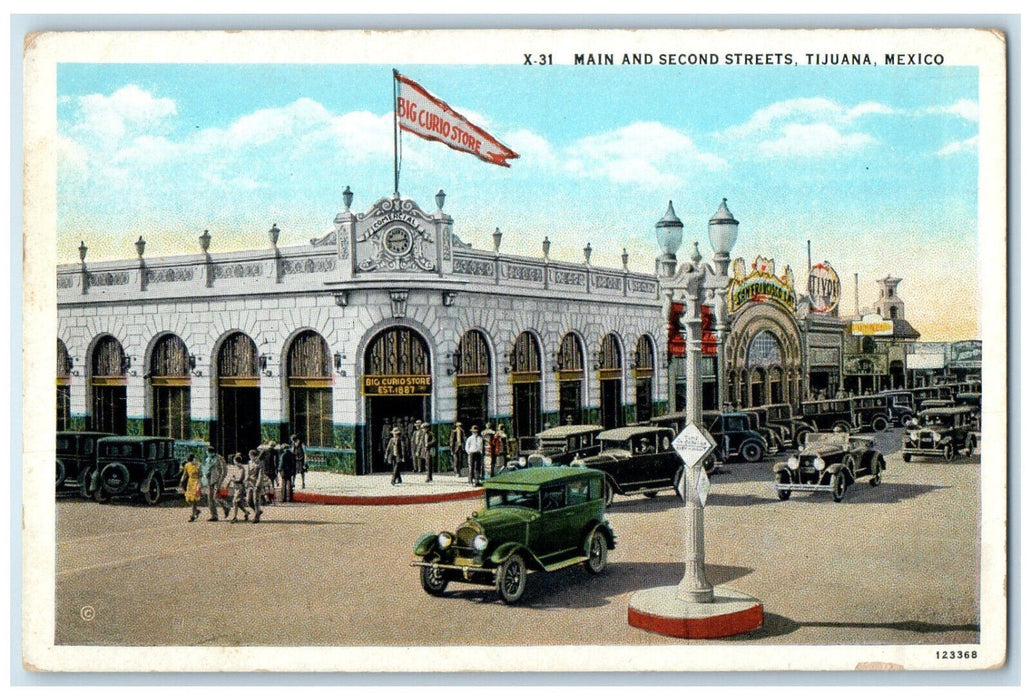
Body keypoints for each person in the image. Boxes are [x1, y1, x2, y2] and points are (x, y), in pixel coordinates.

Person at [200, 445, 229, 521]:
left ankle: (226, 507)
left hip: (217, 480)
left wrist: (221, 480)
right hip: (209, 480)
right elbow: (205, 468)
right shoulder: (208, 459)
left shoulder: (219, 459)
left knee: (216, 497)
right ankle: (214, 515)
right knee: (210, 498)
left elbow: (224, 470)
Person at [245, 449, 267, 523]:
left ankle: (256, 517)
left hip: (257, 484)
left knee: (256, 500)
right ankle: (258, 511)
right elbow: (248, 473)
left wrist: (258, 485)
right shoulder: (249, 463)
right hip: (250, 483)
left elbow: (260, 475)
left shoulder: (260, 464)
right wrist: (246, 481)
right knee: (248, 500)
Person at [227, 453, 250, 522]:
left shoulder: (242, 469)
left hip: (240, 487)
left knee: (234, 501)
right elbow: (233, 476)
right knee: (238, 503)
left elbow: (240, 479)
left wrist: (232, 480)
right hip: (236, 487)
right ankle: (246, 512)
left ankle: (235, 517)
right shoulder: (236, 468)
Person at [179, 453, 203, 522]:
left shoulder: (198, 465)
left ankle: (193, 515)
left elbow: (200, 475)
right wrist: (182, 481)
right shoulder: (187, 465)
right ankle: (196, 510)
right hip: (190, 483)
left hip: (196, 482)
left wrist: (199, 485)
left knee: (193, 499)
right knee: (188, 499)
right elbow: (185, 474)